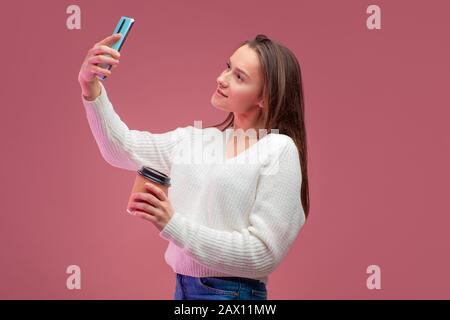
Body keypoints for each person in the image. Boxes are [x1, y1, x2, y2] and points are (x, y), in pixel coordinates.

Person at [78, 33, 310, 300]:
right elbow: (121, 148)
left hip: (233, 295)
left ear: (264, 98)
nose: (221, 79)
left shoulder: (278, 149)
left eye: (239, 77)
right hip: (183, 289)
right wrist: (89, 85)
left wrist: (172, 224)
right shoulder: (196, 140)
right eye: (227, 67)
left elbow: (263, 254)